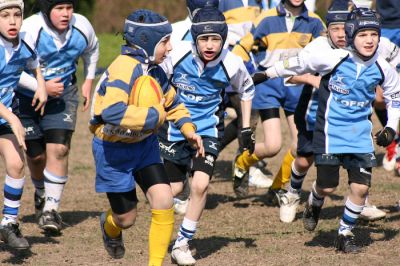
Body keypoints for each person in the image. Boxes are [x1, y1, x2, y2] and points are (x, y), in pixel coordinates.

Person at [254, 7, 400, 253]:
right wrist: (266, 74)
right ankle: (314, 199)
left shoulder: (382, 66)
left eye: (374, 35)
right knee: (327, 186)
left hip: (359, 136)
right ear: (352, 34)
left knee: (361, 188)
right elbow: (297, 63)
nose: (369, 40)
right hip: (330, 133)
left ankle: (344, 232)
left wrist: (390, 128)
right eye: (363, 34)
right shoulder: (333, 58)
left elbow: (395, 97)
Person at [90, 9, 203, 265]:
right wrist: (154, 117)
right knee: (126, 219)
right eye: (165, 41)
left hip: (144, 146)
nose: (170, 47)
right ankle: (110, 227)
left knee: (164, 200)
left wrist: (189, 130)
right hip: (112, 149)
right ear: (145, 40)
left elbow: (173, 103)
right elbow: (110, 111)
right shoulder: (124, 68)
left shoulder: (154, 71)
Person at [158, 7, 254, 265]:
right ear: (194, 38)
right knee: (173, 190)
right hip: (174, 128)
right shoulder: (176, 54)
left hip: (208, 131)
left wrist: (245, 127)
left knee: (201, 185)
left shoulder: (232, 63)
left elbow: (247, 90)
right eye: (203, 39)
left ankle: (182, 243)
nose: (210, 45)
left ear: (223, 39)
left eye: (215, 39)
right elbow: (155, 79)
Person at [279, 0, 387, 223]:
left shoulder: (366, 46)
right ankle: (292, 192)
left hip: (352, 118)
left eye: (343, 27)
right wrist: (312, 78)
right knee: (304, 159)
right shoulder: (317, 48)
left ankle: (361, 201)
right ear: (326, 29)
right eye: (334, 28)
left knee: (357, 162)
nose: (340, 34)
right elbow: (287, 73)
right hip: (314, 114)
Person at [15, 0, 99, 234]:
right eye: (59, 9)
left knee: (59, 149)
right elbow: (11, 66)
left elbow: (93, 49)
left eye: (69, 8)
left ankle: (51, 209)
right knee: (37, 155)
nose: (66, 14)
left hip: (63, 96)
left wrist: (88, 80)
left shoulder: (82, 26)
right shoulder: (29, 29)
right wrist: (39, 86)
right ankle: (41, 190)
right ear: (46, 10)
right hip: (25, 98)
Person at [231, 0, 325, 198]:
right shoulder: (266, 18)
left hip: (298, 87)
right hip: (268, 85)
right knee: (273, 145)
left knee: (298, 145)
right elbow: (241, 48)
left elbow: (327, 51)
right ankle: (242, 163)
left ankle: (277, 187)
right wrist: (239, 71)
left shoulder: (315, 22)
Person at [0, 0, 47, 250]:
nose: (12, 21)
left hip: (4, 117)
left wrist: (40, 84)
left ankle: (8, 224)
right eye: (5, 15)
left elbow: (33, 64)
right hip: (7, 116)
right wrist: (12, 117)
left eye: (17, 15)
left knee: (17, 163)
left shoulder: (25, 41)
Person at [169, 0, 219, 216]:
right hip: (177, 111)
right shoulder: (176, 31)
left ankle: (199, 172)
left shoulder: (223, 34)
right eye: (200, 11)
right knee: (174, 185)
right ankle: (181, 182)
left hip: (208, 109)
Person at [219, 0, 273, 190]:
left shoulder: (256, 1)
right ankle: (246, 170)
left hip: (248, 63)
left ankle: (214, 152)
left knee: (246, 116)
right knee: (249, 115)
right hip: (228, 61)